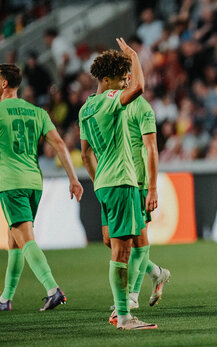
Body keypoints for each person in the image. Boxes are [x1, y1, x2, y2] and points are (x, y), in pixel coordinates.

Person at [79, 39, 157, 330]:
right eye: (122, 75)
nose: (127, 79)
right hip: (122, 182)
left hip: (104, 184)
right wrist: (135, 57)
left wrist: (99, 180)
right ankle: (124, 316)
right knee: (122, 251)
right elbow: (139, 89)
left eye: (128, 73)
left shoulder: (86, 108)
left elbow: (86, 153)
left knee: (117, 247)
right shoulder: (108, 101)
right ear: (106, 80)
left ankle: (123, 311)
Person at [0, 64, 83, 311]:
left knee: (25, 240)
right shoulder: (38, 112)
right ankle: (5, 299)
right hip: (35, 183)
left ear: (4, 83)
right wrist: (73, 178)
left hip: (11, 183)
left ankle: (52, 289)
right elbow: (59, 143)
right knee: (14, 240)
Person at [107, 87, 171, 322]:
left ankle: (131, 296)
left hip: (137, 180)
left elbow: (151, 147)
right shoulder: (112, 105)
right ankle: (157, 273)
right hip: (116, 178)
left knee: (136, 241)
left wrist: (151, 187)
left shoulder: (142, 107)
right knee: (112, 241)